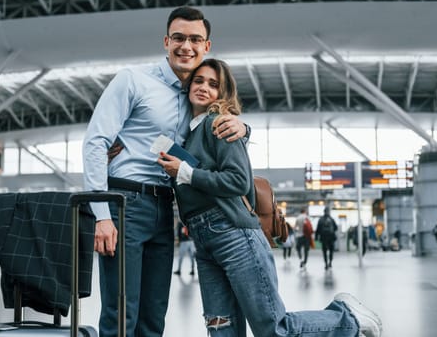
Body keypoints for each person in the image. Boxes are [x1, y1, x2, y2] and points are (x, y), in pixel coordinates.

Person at [157, 58, 382, 337]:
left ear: (222, 94)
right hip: (204, 242)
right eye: (199, 81)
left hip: (233, 235)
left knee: (273, 329)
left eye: (213, 85)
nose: (203, 87)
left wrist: (187, 173)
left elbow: (238, 181)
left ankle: (348, 320)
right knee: (220, 327)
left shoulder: (220, 125)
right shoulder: (186, 134)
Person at [82, 6, 248, 337]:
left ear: (206, 46)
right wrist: (101, 214)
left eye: (195, 39)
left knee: (155, 311)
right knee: (121, 308)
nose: (186, 46)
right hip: (125, 202)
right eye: (179, 38)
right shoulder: (133, 80)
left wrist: (244, 127)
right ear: (166, 42)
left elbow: (219, 121)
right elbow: (95, 142)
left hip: (165, 207)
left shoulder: (197, 94)